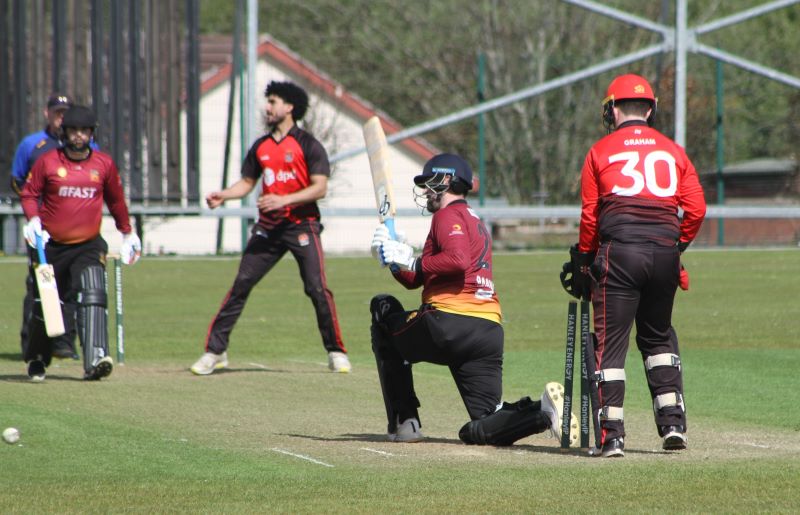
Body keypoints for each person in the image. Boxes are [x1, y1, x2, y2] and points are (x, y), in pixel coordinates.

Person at [370, 153, 576, 445]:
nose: (425, 190)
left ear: (446, 180)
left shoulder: (446, 216)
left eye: (429, 182)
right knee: (482, 425)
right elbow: (417, 279)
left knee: (383, 310)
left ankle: (406, 422)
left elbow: (457, 260)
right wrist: (394, 260)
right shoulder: (472, 219)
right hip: (487, 331)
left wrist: (412, 261)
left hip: (448, 323)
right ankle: (543, 411)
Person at [560, 74, 706, 457]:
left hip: (620, 252)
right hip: (664, 253)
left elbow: (590, 216)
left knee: (610, 345)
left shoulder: (599, 150)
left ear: (612, 109)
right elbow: (696, 209)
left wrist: (585, 261)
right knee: (658, 337)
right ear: (651, 110)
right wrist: (675, 246)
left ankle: (612, 436)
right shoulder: (673, 151)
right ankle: (672, 423)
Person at [190, 80, 350, 375]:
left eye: (273, 102)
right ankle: (215, 351)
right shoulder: (261, 146)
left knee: (316, 287)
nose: (267, 107)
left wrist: (283, 200)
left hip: (302, 225)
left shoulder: (308, 145)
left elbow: (320, 188)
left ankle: (336, 352)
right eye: (268, 102)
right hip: (269, 227)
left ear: (289, 107)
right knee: (241, 284)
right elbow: (247, 183)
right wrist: (224, 195)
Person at [20, 105, 141, 382]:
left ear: (91, 133)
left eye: (84, 131)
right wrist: (33, 219)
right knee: (46, 305)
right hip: (50, 246)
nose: (78, 136)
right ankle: (38, 358)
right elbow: (29, 194)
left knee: (93, 291)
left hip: (88, 244)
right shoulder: (48, 162)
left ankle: (96, 358)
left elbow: (116, 201)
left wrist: (127, 232)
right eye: (73, 130)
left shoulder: (103, 164)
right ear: (65, 133)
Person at [11, 93, 82, 360]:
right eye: (57, 113)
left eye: (65, 113)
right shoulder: (32, 144)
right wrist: (35, 211)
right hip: (41, 228)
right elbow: (18, 180)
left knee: (71, 286)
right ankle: (31, 345)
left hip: (72, 228)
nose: (61, 118)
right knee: (39, 285)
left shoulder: (84, 145)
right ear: (47, 114)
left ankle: (65, 343)